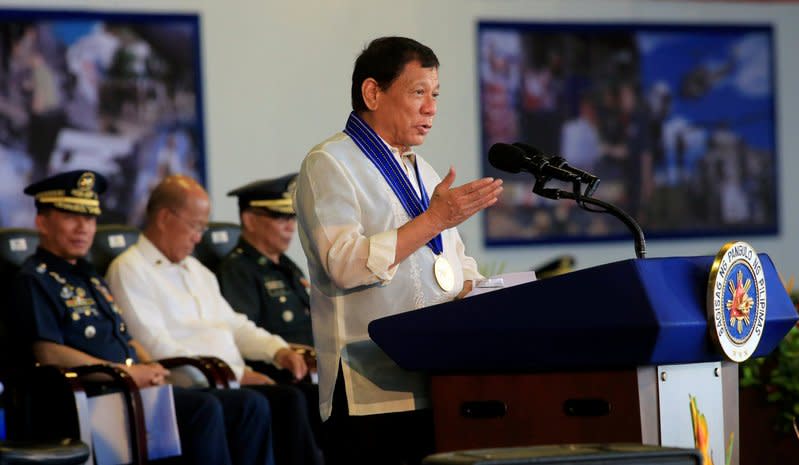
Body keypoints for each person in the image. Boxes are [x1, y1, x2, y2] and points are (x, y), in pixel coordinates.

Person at [294, 36, 503, 465]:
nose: (432, 108)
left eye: (436, 95)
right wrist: (434, 220)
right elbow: (345, 265)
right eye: (418, 92)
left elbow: (453, 260)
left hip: (438, 381)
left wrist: (480, 291)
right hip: (370, 391)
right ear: (373, 92)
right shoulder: (329, 163)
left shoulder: (422, 170)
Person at [9, 170, 275, 465]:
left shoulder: (89, 276)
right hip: (94, 398)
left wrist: (151, 365)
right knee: (205, 408)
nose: (84, 228)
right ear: (41, 222)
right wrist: (125, 372)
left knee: (247, 405)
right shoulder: (35, 279)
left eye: (90, 218)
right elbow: (48, 353)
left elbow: (125, 337)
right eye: (71, 217)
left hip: (128, 388)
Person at [105, 174, 323, 465]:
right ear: (165, 218)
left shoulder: (196, 270)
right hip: (191, 384)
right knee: (259, 402)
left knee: (298, 396)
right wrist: (237, 374)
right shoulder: (130, 269)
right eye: (195, 226)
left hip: (225, 379)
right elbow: (154, 344)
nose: (199, 237)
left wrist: (277, 350)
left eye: (203, 228)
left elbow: (235, 324)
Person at [217, 174, 314, 350]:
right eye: (281, 217)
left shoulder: (287, 265)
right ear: (250, 220)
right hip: (281, 370)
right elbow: (245, 337)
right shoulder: (238, 270)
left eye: (293, 217)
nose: (291, 227)